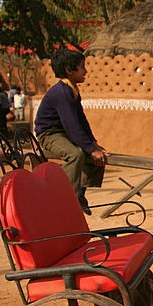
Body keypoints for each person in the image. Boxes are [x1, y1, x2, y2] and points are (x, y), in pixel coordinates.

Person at [34, 48, 108, 215]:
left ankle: (80, 194)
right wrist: (89, 148)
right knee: (75, 155)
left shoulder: (72, 89)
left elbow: (81, 119)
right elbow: (71, 124)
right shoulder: (61, 92)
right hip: (49, 133)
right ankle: (64, 197)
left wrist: (93, 144)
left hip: (65, 132)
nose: (85, 71)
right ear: (69, 70)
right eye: (82, 67)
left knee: (99, 155)